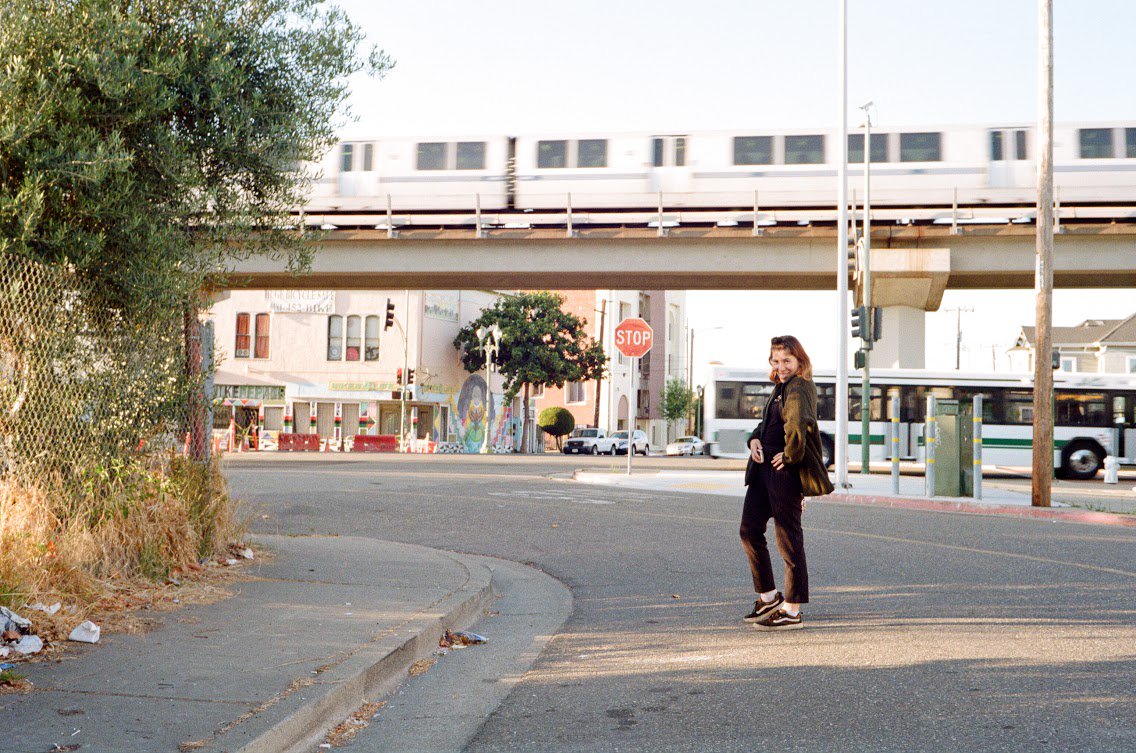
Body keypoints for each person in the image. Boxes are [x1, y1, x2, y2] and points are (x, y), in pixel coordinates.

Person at [739, 335, 834, 630]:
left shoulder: (799, 387)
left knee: (788, 540)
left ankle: (792, 609)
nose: (780, 366)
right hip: (763, 471)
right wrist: (754, 439)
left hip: (782, 475)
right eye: (776, 360)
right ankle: (768, 597)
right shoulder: (781, 387)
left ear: (799, 361)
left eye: (786, 361)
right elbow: (768, 423)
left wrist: (790, 457)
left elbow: (798, 425)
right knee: (749, 529)